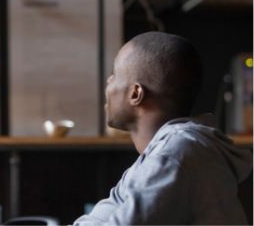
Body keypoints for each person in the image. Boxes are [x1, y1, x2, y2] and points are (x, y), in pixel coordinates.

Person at [74, 31, 252, 225]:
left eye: (114, 74)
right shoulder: (158, 156)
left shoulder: (176, 154)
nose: (109, 82)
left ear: (136, 93)